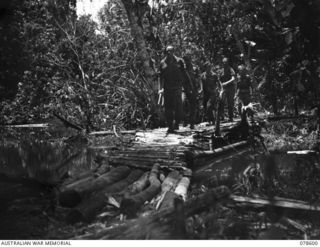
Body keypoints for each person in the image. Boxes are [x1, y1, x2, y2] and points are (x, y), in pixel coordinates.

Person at [159, 45, 186, 133]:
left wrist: (186, 86)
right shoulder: (162, 62)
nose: (169, 53)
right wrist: (160, 88)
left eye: (171, 51)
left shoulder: (179, 61)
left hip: (177, 88)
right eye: (168, 51)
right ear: (165, 52)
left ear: (174, 51)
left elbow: (184, 74)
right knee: (168, 108)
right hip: (167, 89)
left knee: (178, 107)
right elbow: (161, 77)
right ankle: (170, 125)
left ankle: (177, 123)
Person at [182, 54, 199, 129]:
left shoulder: (195, 68)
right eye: (185, 60)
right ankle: (185, 120)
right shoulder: (182, 68)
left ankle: (192, 122)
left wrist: (199, 88)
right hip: (184, 89)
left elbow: (199, 78)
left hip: (193, 89)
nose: (186, 61)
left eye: (187, 60)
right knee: (183, 103)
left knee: (193, 106)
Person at [218, 57, 236, 122]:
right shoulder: (221, 70)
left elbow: (233, 78)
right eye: (223, 62)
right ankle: (222, 117)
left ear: (228, 62)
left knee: (230, 103)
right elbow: (219, 79)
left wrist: (226, 83)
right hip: (224, 89)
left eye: (226, 62)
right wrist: (221, 86)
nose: (224, 63)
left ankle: (230, 117)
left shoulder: (231, 69)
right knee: (221, 102)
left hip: (231, 88)